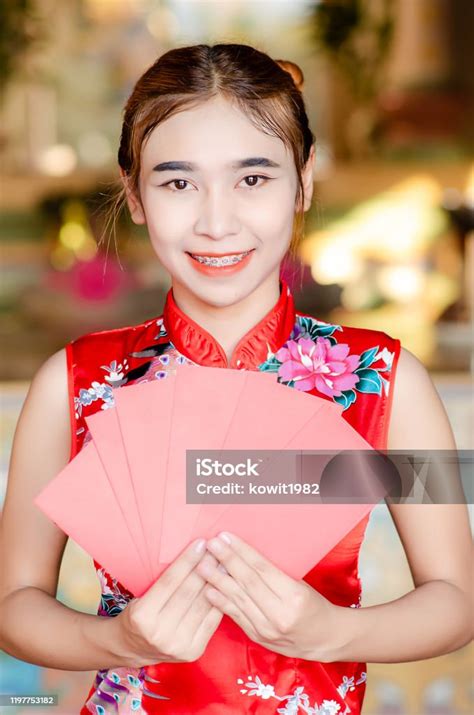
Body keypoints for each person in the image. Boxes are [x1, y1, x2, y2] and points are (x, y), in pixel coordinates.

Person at [0, 43, 471, 715]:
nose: (216, 222)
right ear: (134, 194)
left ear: (303, 180)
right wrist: (120, 640)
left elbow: (457, 599)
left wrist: (334, 631)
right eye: (177, 181)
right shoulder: (74, 382)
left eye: (253, 179)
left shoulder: (388, 380)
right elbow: (14, 607)